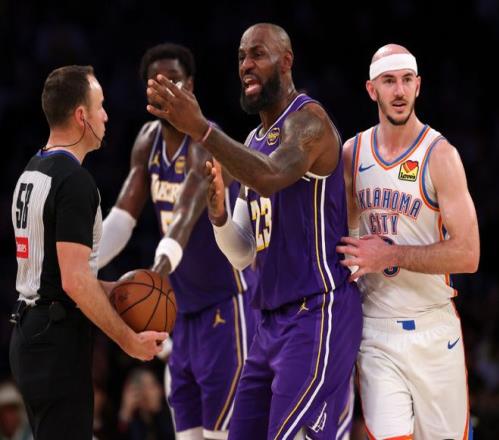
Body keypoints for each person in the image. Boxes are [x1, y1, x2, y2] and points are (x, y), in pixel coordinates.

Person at [146, 24, 362, 440]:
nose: (246, 65)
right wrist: (219, 217)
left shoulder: (309, 121)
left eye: (258, 54)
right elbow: (243, 252)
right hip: (269, 323)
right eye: (241, 57)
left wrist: (200, 129)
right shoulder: (253, 141)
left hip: (317, 314)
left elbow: (271, 175)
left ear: (286, 60)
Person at [97, 43, 256, 440]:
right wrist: (84, 263)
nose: (167, 90)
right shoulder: (147, 141)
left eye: (176, 81)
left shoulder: (207, 141)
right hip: (181, 312)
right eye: (158, 84)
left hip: (226, 306)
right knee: (185, 435)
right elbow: (123, 217)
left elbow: (184, 216)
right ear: (147, 93)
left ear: (191, 87)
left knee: (222, 435)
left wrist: (155, 273)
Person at [9, 65, 167, 440]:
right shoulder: (75, 181)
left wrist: (118, 291)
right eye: (100, 106)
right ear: (82, 116)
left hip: (30, 332)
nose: (106, 116)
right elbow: (75, 281)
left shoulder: (33, 168)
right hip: (56, 342)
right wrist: (129, 341)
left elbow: (56, 273)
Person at [336, 44, 480, 439]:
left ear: (418, 86)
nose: (399, 91)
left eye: (406, 80)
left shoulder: (440, 155)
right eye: (388, 81)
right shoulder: (352, 154)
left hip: (434, 328)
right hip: (376, 331)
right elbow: (343, 238)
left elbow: (469, 254)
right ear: (372, 90)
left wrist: (390, 254)